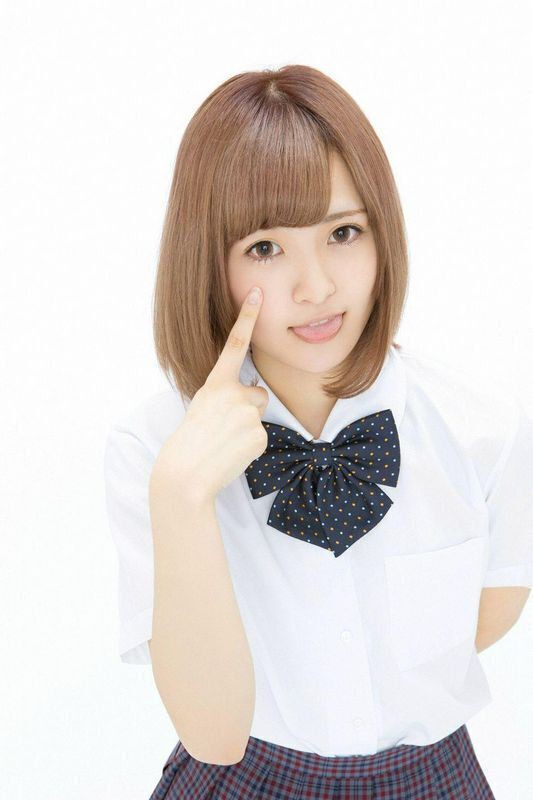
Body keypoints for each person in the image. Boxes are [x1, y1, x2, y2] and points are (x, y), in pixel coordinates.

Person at [103, 64, 532, 799]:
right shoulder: (153, 449)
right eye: (265, 248)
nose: (317, 287)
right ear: (207, 261)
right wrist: (181, 496)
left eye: (342, 233)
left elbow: (487, 620)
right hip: (240, 781)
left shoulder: (480, 433)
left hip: (434, 778)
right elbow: (213, 734)